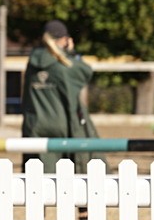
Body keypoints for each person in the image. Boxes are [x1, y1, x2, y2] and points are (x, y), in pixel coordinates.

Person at [21, 19, 97, 171]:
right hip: (62, 127)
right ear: (64, 40)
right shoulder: (64, 66)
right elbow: (86, 71)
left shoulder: (32, 62)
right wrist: (70, 52)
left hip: (34, 126)